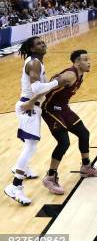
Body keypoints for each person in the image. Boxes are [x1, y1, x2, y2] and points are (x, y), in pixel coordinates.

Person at [5, 37, 65, 205]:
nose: (43, 44)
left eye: (43, 42)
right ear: (31, 49)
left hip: (30, 105)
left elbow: (38, 89)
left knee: (28, 144)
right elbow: (37, 88)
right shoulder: (34, 63)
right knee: (30, 146)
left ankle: (22, 167)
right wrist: (56, 82)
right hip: (29, 108)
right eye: (38, 43)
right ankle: (15, 186)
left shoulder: (37, 62)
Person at [41, 50, 97, 196]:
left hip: (63, 108)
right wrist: (32, 102)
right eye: (85, 60)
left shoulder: (80, 74)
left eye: (89, 59)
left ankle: (86, 167)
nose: (89, 62)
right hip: (50, 109)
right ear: (76, 62)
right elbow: (48, 86)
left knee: (84, 133)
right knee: (64, 142)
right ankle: (50, 177)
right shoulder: (70, 75)